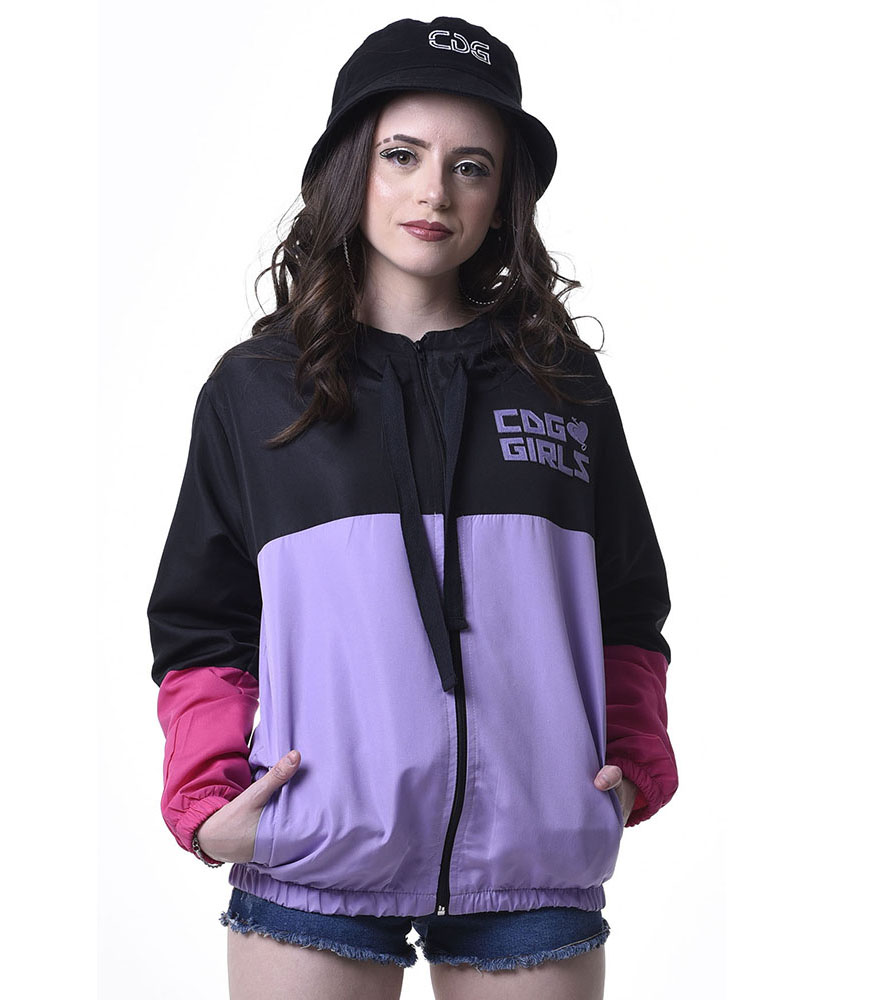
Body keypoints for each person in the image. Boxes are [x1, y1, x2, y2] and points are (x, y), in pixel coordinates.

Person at [147, 15, 677, 1000]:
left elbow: (628, 603)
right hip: (313, 848)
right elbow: (201, 619)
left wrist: (632, 758)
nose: (435, 191)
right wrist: (208, 798)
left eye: (471, 167)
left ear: (501, 198)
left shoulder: (559, 383)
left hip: (532, 852)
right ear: (353, 167)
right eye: (403, 155)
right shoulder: (258, 389)